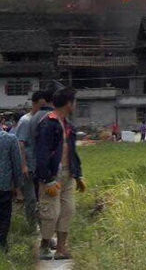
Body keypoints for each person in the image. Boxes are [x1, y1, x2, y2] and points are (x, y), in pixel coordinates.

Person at [35, 87, 86, 260]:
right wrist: (46, 179)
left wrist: (78, 175)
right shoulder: (48, 124)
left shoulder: (69, 126)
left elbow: (72, 152)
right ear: (68, 103)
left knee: (68, 210)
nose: (75, 105)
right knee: (50, 212)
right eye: (74, 101)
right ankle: (44, 245)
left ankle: (61, 248)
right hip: (52, 176)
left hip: (68, 174)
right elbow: (41, 153)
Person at [14, 91, 50, 229]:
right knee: (31, 198)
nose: (42, 108)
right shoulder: (26, 120)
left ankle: (42, 225)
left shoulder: (40, 120)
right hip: (27, 166)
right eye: (40, 105)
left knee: (40, 197)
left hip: (37, 165)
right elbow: (20, 143)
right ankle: (32, 227)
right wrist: (23, 165)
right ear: (34, 104)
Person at [1, 126, 23, 252]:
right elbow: (16, 164)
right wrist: (18, 187)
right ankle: (2, 243)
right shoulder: (10, 139)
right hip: (4, 185)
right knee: (4, 215)